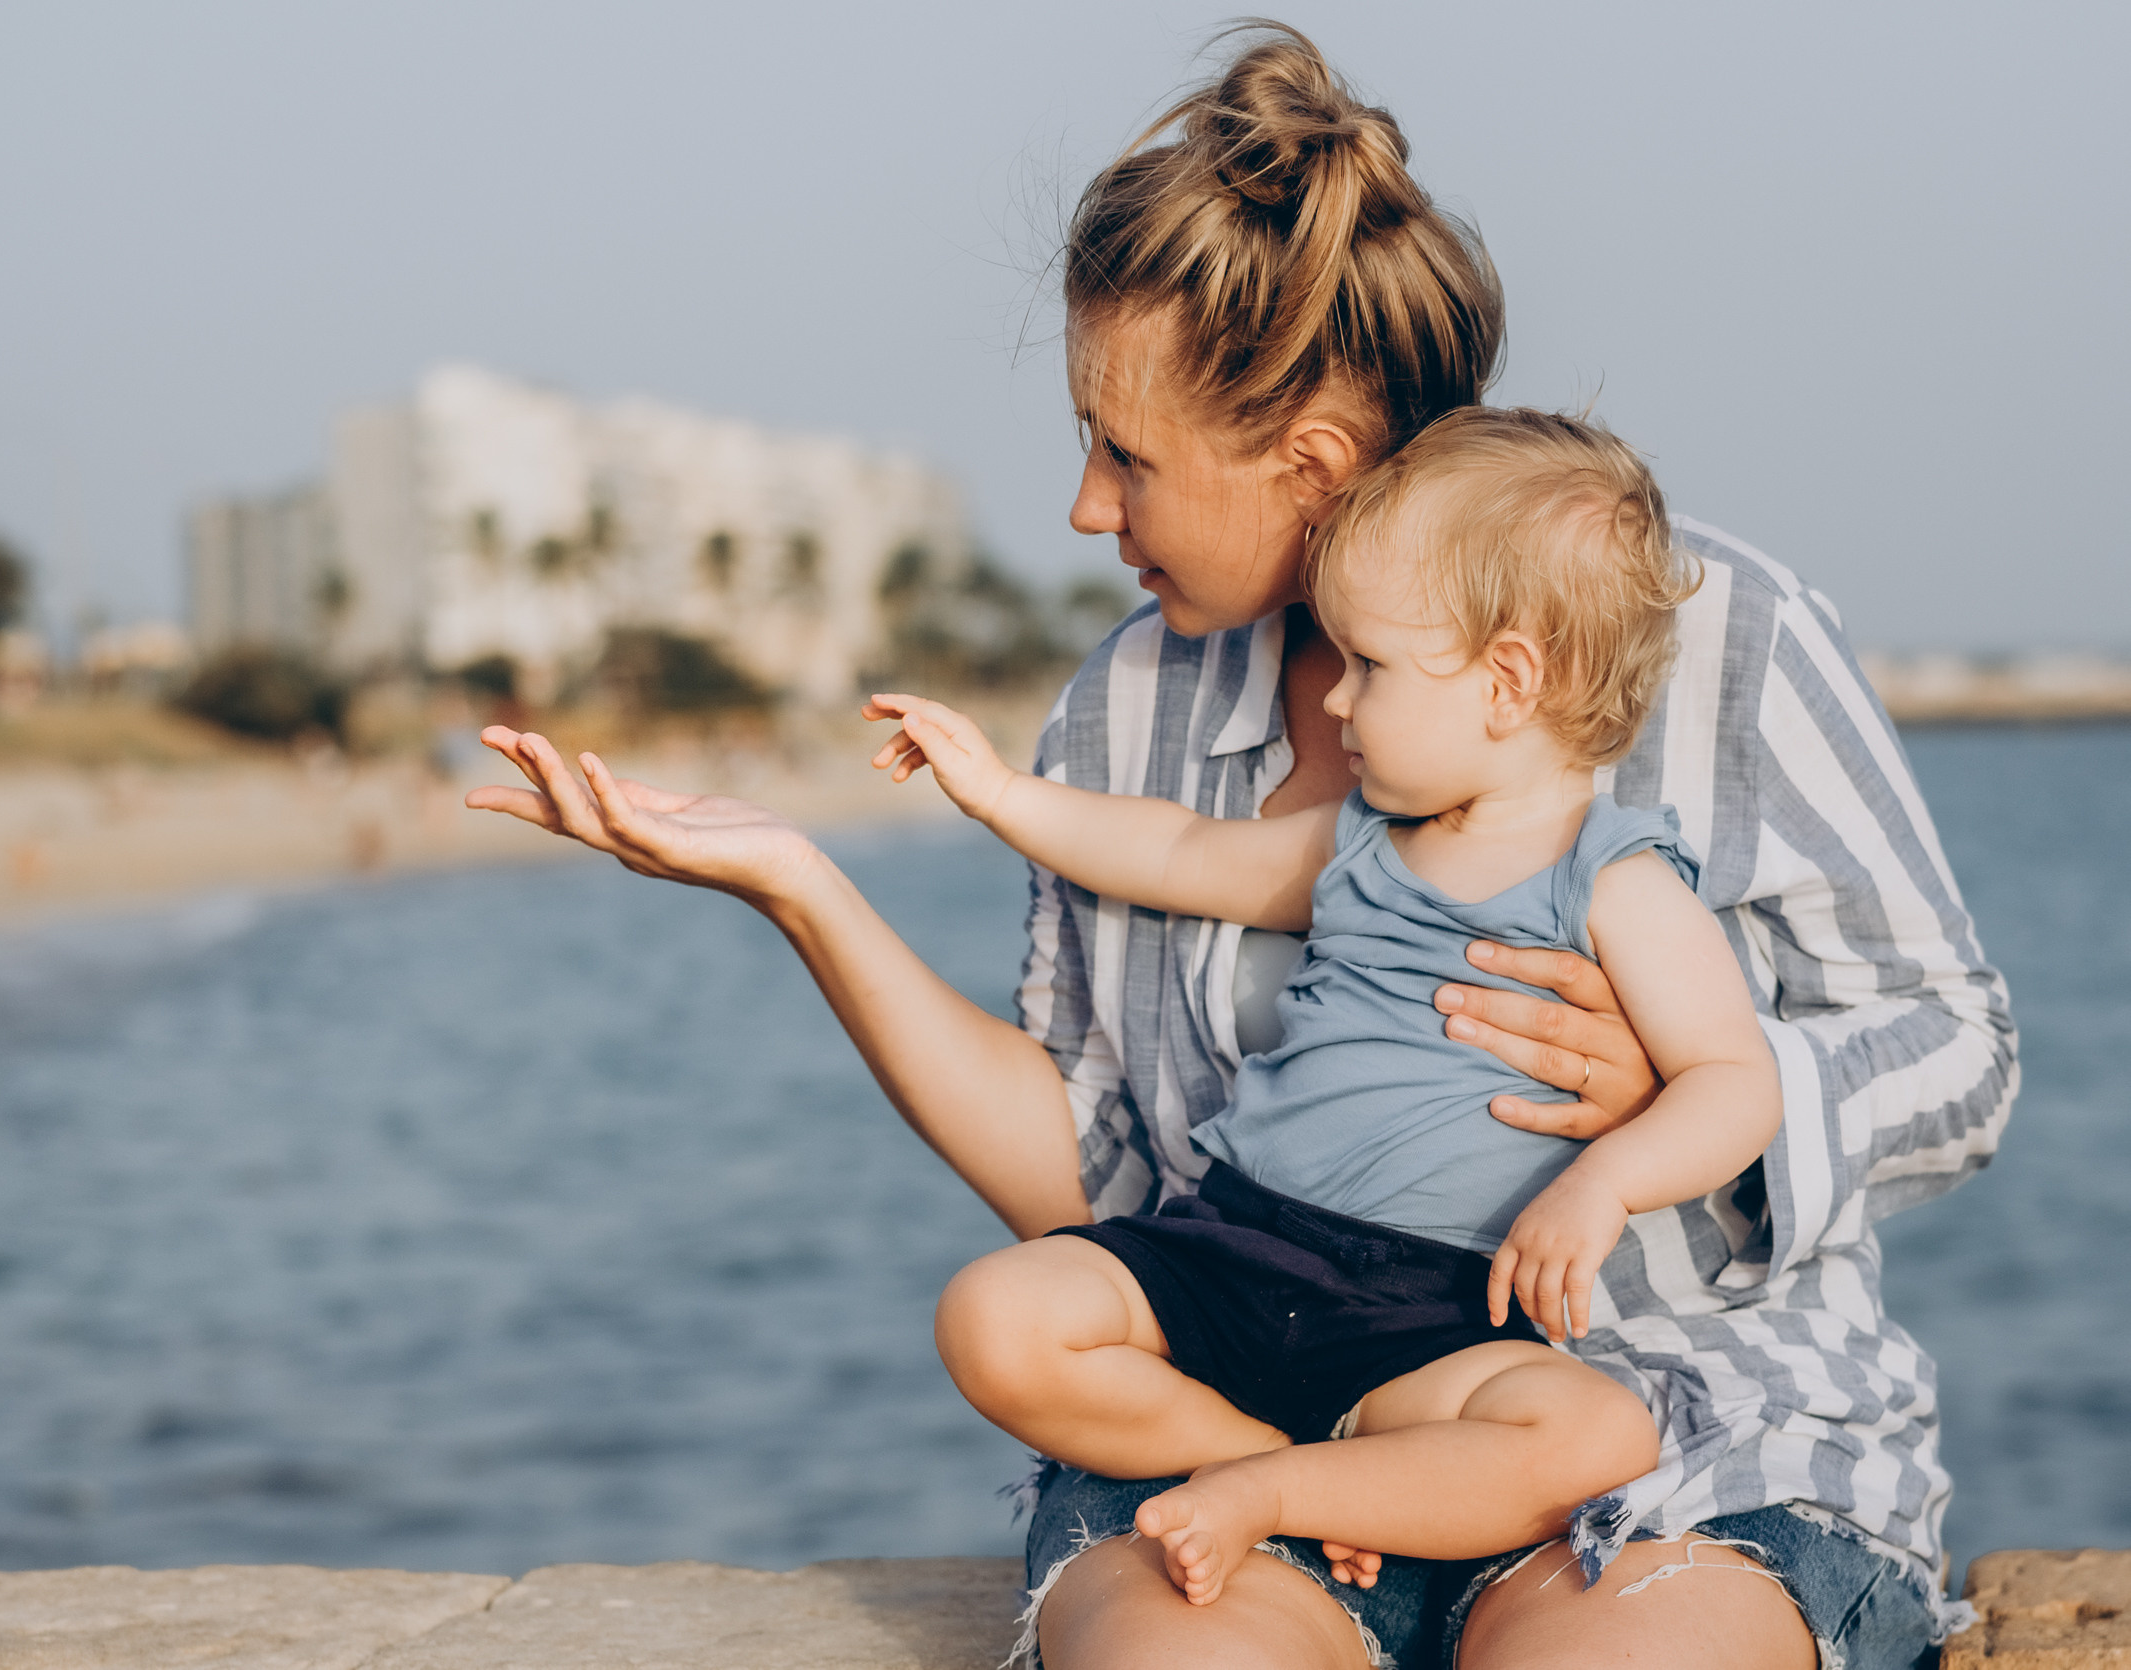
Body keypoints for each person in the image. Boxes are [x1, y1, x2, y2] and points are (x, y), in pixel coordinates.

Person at [466, 23, 2015, 1669]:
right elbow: (1094, 1181)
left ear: (1314, 465)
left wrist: (1706, 1093)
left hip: (1677, 1435)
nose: (1081, 506)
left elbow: (1957, 1053)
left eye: (1123, 453)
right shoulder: (1113, 720)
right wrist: (799, 886)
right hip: (1242, 1430)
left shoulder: (1714, 629)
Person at [862, 404, 1781, 1610]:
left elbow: (1733, 1079)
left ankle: (1285, 1489)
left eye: (1371, 667)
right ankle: (1256, 1453)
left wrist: (1602, 1179)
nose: (1335, 701)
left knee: (1593, 1434)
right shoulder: (1357, 842)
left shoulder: (1614, 880)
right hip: (1230, 1242)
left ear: (1507, 680)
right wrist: (997, 793)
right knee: (991, 1315)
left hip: (1426, 1315)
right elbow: (1178, 851)